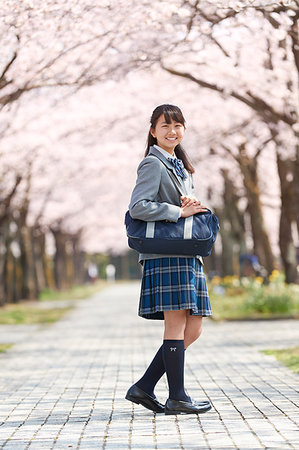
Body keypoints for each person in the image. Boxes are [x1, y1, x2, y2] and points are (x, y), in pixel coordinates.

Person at [125, 104, 212, 415]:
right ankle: (177, 396)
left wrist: (188, 203)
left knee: (195, 327)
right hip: (166, 254)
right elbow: (139, 207)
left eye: (177, 125)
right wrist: (178, 211)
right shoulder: (152, 164)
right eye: (165, 126)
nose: (172, 131)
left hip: (185, 254)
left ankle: (146, 386)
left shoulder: (179, 165)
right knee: (176, 324)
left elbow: (172, 202)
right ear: (153, 131)